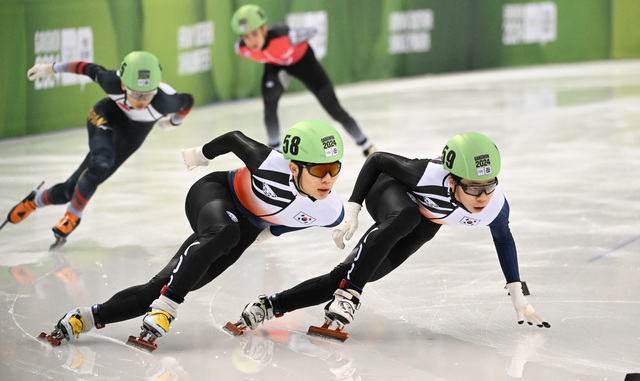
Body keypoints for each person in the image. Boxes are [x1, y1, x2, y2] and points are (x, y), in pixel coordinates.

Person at [40, 120, 347, 350]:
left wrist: (268, 232)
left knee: (166, 285)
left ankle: (86, 317)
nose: (329, 180)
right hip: (215, 194)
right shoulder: (269, 163)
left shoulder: (331, 210)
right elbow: (233, 138)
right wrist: (201, 155)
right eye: (320, 171)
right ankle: (168, 307)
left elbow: (293, 221)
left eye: (335, 169)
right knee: (223, 233)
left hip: (247, 227)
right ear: (294, 168)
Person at [235, 132, 550, 337]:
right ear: (452, 181)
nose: (482, 197)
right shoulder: (425, 175)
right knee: (407, 216)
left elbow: (503, 240)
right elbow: (377, 160)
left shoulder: (495, 204)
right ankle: (350, 296)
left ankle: (272, 305)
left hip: (426, 220)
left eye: (489, 186)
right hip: (389, 190)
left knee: (353, 273)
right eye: (473, 188)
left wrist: (517, 293)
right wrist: (355, 209)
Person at [6, 51, 195, 249]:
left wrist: (174, 122)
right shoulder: (111, 81)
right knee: (102, 161)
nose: (142, 101)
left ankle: (34, 200)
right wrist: (49, 68)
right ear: (123, 85)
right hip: (107, 115)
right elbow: (85, 68)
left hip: (133, 134)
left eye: (148, 95)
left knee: (70, 191)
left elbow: (188, 101)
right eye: (136, 94)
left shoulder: (166, 101)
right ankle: (73, 217)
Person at [231, 4, 377, 156]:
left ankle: (365, 143)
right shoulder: (241, 48)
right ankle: (274, 149)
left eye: (254, 33)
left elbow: (313, 31)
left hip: (304, 63)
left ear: (264, 29)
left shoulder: (284, 36)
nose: (251, 41)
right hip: (277, 66)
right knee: (269, 101)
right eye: (246, 36)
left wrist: (292, 34)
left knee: (334, 109)